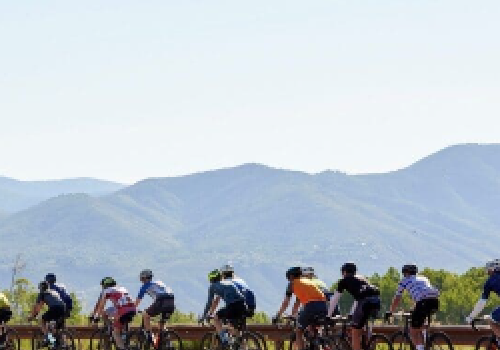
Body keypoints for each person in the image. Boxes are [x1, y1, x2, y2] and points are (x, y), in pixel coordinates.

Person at [386, 264, 439, 350]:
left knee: (413, 331)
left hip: (423, 303)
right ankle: (426, 339)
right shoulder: (424, 278)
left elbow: (397, 298)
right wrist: (414, 309)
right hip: (435, 301)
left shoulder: (404, 281)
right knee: (420, 323)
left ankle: (421, 347)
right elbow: (422, 295)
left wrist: (391, 311)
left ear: (406, 273)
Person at [327, 263, 380, 350]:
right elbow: (358, 298)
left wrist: (328, 316)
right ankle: (369, 343)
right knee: (362, 325)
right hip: (376, 300)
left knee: (355, 332)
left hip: (365, 302)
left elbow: (334, 299)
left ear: (344, 272)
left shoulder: (344, 281)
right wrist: (352, 313)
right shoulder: (362, 278)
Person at [273, 267, 327, 350]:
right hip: (323, 305)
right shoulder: (307, 282)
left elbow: (286, 303)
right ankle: (320, 343)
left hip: (311, 306)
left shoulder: (292, 283)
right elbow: (298, 302)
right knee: (312, 328)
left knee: (298, 331)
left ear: (291, 277)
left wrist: (278, 315)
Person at [199, 269, 247, 345]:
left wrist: (204, 316)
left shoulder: (213, 287)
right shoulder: (229, 282)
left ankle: (225, 340)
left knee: (216, 318)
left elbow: (209, 303)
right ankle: (237, 344)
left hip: (232, 306)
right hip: (243, 306)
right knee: (234, 328)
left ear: (211, 280)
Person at [91, 277, 136, 350]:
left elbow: (101, 305)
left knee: (115, 332)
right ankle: (125, 335)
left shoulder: (107, 290)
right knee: (119, 320)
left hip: (122, 310)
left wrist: (96, 317)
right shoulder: (122, 288)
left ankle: (121, 346)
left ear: (105, 285)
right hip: (132, 309)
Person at [135, 269, 174, 343]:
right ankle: (168, 342)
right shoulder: (159, 282)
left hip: (161, 300)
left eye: (141, 279)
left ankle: (150, 337)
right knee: (161, 324)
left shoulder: (145, 286)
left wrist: (133, 309)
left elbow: (137, 302)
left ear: (144, 278)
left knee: (146, 315)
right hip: (171, 301)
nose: (141, 281)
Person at [466, 259, 500, 339]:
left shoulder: (490, 281)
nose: (488, 273)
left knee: (491, 320)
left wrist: (471, 317)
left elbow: (481, 302)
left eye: (488, 271)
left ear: (492, 269)